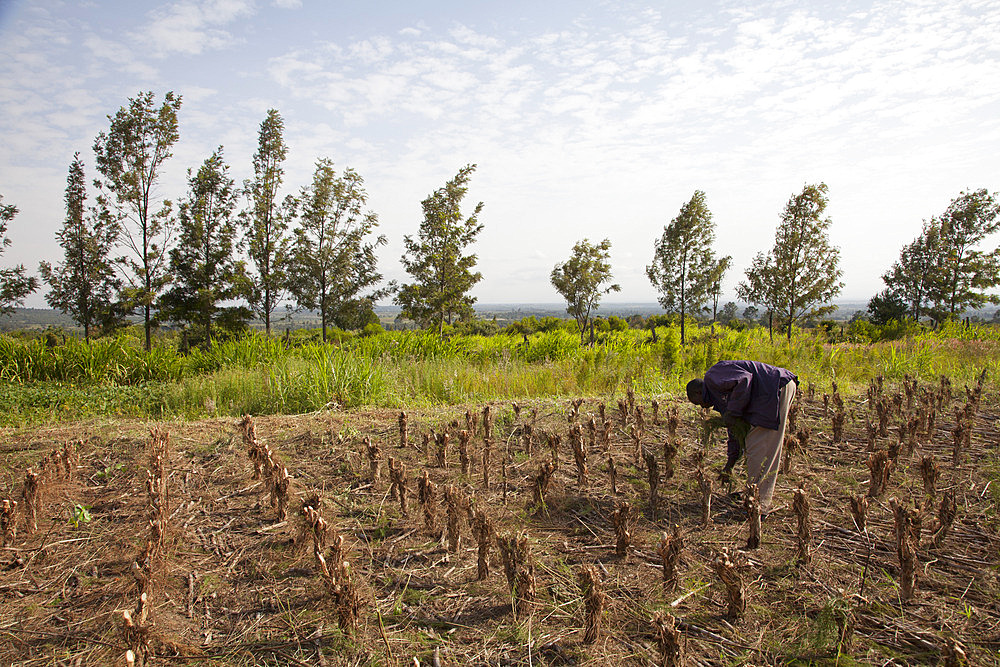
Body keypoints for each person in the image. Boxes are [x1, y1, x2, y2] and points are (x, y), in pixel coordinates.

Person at [686, 360, 798, 514]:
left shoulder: (713, 377)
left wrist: (733, 412)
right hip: (771, 393)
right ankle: (753, 496)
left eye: (697, 403)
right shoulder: (721, 399)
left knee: (760, 450)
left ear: (698, 392)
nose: (702, 407)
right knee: (755, 447)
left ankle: (758, 507)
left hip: (774, 388)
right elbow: (735, 432)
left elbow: (744, 379)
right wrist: (729, 466)